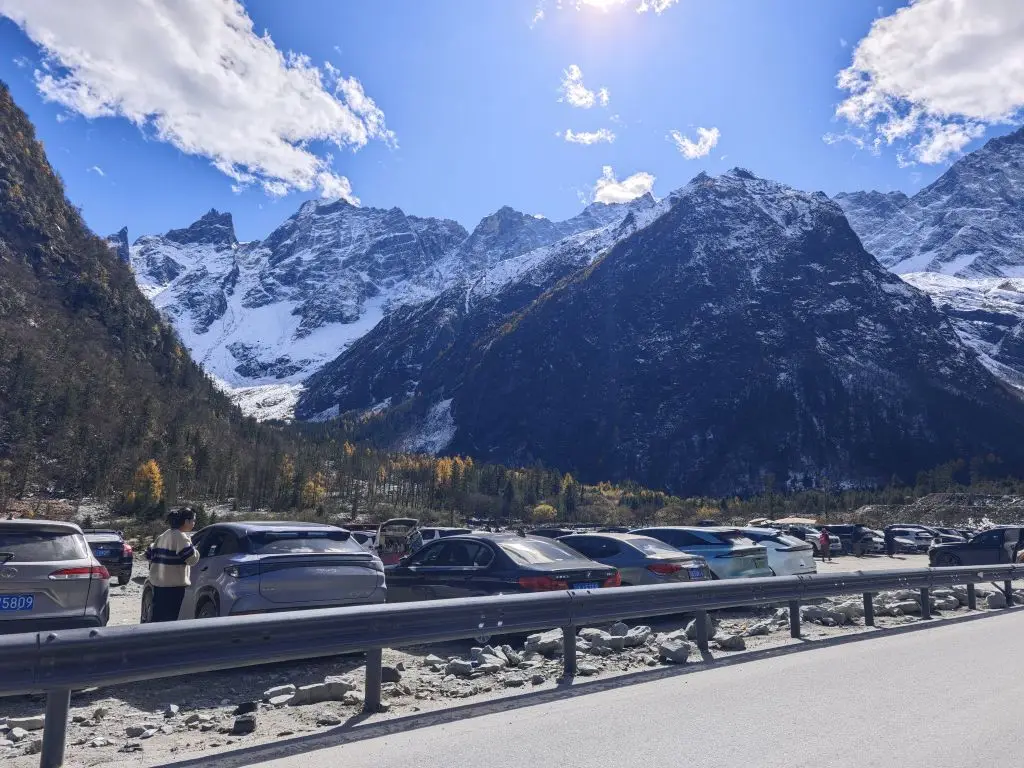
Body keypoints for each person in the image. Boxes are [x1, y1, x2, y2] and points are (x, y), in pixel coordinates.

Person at [145, 507, 200, 622]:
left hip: (158, 585)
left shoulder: (162, 536)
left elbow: (148, 555)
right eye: (193, 520)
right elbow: (191, 559)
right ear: (186, 521)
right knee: (170, 619)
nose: (194, 523)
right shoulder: (181, 537)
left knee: (157, 617)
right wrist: (194, 548)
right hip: (174, 587)